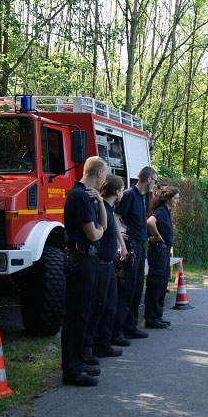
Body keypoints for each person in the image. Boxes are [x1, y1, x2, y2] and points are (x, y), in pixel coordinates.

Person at [61, 156, 108, 387]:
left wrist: (100, 202)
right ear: (99, 172)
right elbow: (93, 234)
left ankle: (78, 362)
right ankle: (72, 370)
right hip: (80, 260)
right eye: (105, 174)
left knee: (85, 314)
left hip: (87, 259)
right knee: (76, 316)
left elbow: (104, 226)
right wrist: (99, 232)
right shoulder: (79, 196)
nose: (105, 179)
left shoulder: (89, 195)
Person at [112, 165, 158, 344]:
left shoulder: (142, 196)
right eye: (154, 181)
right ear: (148, 179)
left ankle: (130, 327)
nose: (155, 184)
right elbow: (115, 217)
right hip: (130, 245)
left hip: (139, 245)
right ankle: (116, 332)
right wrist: (121, 244)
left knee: (137, 289)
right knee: (126, 290)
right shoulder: (130, 194)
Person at [83, 174, 125, 358]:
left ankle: (103, 344)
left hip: (108, 265)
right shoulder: (101, 209)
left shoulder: (107, 209)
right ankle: (90, 347)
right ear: (116, 191)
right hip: (100, 265)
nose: (122, 193)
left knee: (109, 306)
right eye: (121, 190)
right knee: (98, 307)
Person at [144, 187, 180, 329]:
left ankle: (157, 316)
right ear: (168, 199)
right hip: (159, 251)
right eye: (176, 198)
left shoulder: (166, 211)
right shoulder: (161, 211)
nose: (178, 201)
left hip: (163, 251)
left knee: (162, 284)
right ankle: (151, 318)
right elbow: (150, 222)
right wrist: (157, 236)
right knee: (156, 284)